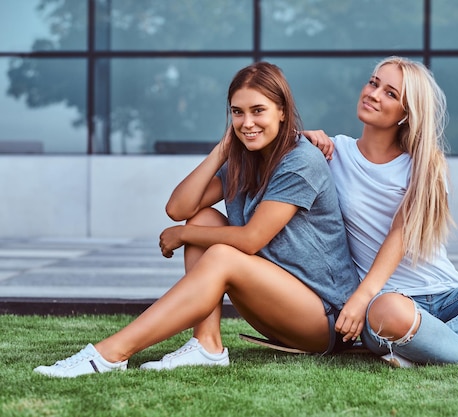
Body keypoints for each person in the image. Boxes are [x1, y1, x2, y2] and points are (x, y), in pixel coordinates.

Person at [34, 61, 360, 378]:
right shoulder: (244, 159)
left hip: (324, 316)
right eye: (237, 112)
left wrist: (181, 236)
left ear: (282, 112)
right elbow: (179, 208)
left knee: (218, 251)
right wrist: (223, 149)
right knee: (202, 219)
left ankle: (111, 353)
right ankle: (207, 345)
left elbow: (251, 239)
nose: (247, 122)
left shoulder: (301, 161)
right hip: (275, 300)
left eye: (258, 110)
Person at [302, 56, 458, 367]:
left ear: (406, 114)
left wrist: (359, 297)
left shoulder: (425, 164)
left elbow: (402, 232)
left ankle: (426, 345)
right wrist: (303, 140)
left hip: (451, 298)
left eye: (390, 93)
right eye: (373, 82)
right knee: (389, 312)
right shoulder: (333, 153)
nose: (373, 93)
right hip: (388, 305)